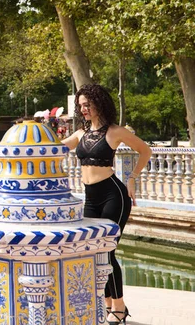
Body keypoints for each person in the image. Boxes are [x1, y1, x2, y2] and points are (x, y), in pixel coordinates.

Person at [62, 84, 151, 325]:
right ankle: (109, 302)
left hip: (114, 196)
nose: (83, 110)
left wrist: (132, 178)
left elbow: (145, 150)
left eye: (87, 105)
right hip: (90, 198)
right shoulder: (80, 134)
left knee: (106, 250)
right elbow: (56, 148)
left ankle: (119, 308)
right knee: (93, 252)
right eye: (80, 106)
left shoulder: (115, 131)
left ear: (99, 103)